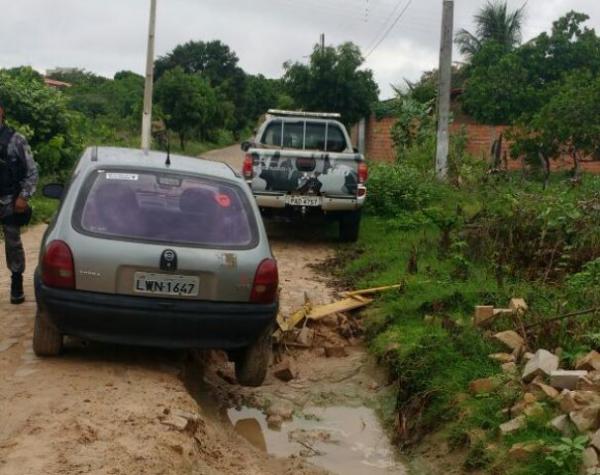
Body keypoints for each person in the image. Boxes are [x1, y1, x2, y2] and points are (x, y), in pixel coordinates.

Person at [0, 99, 39, 304]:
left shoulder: (16, 140)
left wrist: (24, 196)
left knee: (13, 243)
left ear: (1, 112)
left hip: (9, 200)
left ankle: (16, 283)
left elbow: (32, 172)